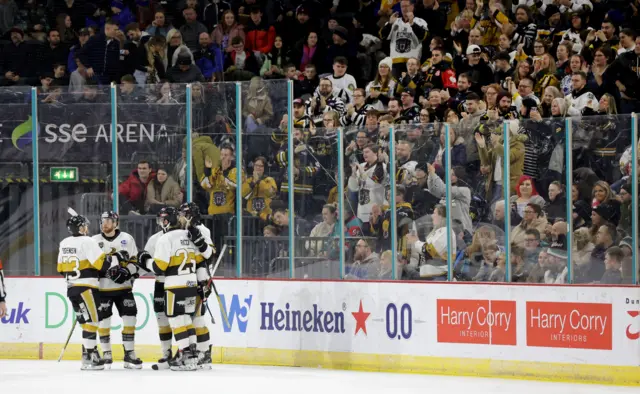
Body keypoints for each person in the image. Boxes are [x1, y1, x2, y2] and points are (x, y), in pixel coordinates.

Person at [142, 207, 208, 371]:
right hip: (192, 284)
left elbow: (159, 267)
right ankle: (192, 355)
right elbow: (202, 258)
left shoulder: (165, 238)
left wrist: (145, 261)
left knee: (177, 320)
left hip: (174, 285)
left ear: (166, 221)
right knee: (187, 319)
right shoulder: (189, 235)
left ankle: (184, 354)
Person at [57, 213, 109, 370]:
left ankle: (87, 354)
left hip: (72, 289)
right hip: (86, 289)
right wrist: (111, 259)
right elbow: (102, 265)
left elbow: (60, 269)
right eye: (83, 226)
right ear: (79, 228)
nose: (86, 228)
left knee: (86, 322)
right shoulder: (88, 241)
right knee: (93, 321)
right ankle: (90, 356)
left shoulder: (64, 242)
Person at [92, 211, 142, 369]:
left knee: (130, 318)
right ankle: (106, 353)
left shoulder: (127, 239)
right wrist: (102, 272)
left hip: (124, 288)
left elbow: (135, 261)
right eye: (102, 220)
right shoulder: (93, 241)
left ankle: (129, 353)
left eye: (108, 220)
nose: (104, 223)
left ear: (116, 223)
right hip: (103, 289)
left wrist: (127, 272)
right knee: (104, 320)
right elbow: (90, 264)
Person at [178, 202, 215, 369]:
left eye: (183, 214)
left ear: (191, 215)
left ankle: (204, 351)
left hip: (200, 279)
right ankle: (195, 350)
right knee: (189, 317)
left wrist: (199, 240)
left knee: (197, 317)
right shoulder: (181, 231)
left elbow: (209, 255)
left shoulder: (203, 230)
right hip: (187, 278)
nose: (180, 217)